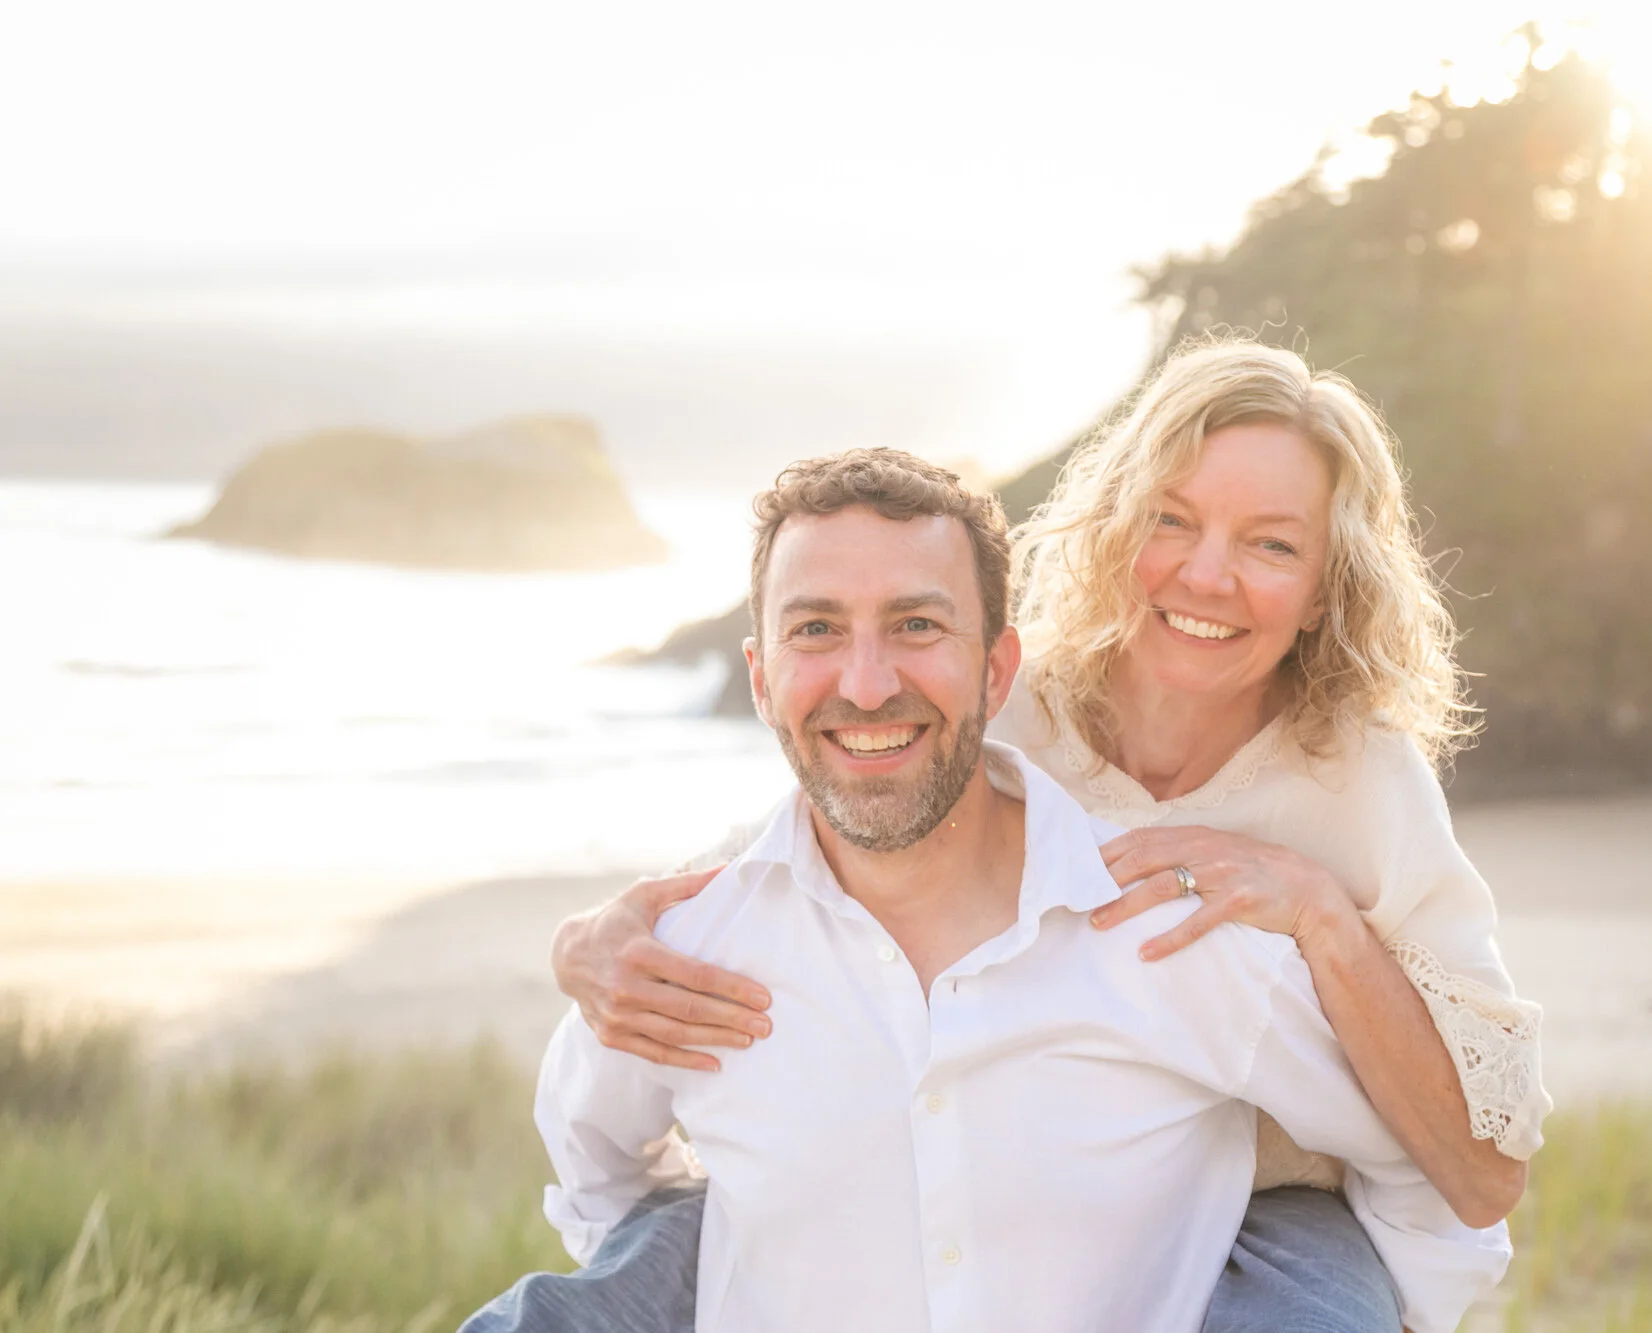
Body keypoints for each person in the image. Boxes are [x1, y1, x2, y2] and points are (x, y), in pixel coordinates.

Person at [522, 339, 1551, 1329]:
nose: (1205, 574)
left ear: (1326, 584)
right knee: (669, 1251)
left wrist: (1322, 915)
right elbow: (826, 829)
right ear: (1116, 526)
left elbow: (1475, 1168)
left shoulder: (1359, 784)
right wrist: (596, 939)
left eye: (1270, 544)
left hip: (1274, 1185)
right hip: (980, 1168)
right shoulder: (1010, 705)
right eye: (1171, 519)